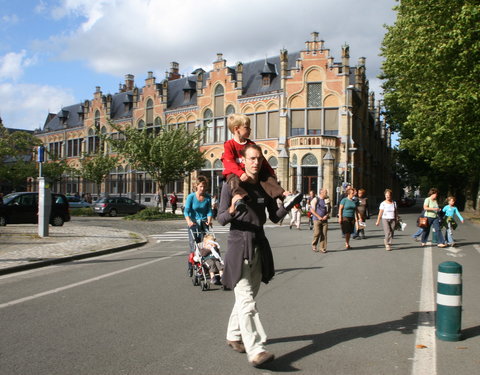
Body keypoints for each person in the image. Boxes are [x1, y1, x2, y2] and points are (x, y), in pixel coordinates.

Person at [217, 144, 288, 368]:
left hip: (259, 243)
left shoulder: (264, 186)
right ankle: (256, 350)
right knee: (246, 299)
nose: (256, 162)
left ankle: (233, 335)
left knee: (248, 296)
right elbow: (220, 218)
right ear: (243, 161)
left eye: (259, 158)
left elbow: (274, 217)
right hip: (239, 245)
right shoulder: (233, 185)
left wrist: (288, 205)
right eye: (252, 159)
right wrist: (232, 209)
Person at [222, 113, 302, 213]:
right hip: (236, 173)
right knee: (233, 180)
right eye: (247, 127)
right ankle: (239, 199)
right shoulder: (229, 145)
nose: (250, 130)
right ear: (236, 129)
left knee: (267, 178)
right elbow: (229, 162)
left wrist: (271, 172)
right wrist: (240, 173)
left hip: (251, 172)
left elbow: (262, 160)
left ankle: (284, 196)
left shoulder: (251, 144)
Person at [184, 177, 213, 275]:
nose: (202, 188)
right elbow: (186, 211)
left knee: (205, 246)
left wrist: (209, 220)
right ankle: (190, 265)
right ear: (196, 186)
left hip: (204, 223)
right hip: (193, 223)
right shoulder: (191, 197)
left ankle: (205, 265)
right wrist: (189, 221)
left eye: (204, 186)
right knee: (194, 245)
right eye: (201, 186)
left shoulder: (208, 197)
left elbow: (209, 210)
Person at [310, 188, 331, 253]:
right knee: (317, 233)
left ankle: (322, 248)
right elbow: (312, 210)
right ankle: (314, 245)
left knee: (324, 234)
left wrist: (326, 215)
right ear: (321, 193)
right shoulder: (316, 199)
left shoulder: (327, 200)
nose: (326, 194)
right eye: (325, 193)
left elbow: (329, 209)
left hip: (325, 219)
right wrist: (318, 217)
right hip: (317, 219)